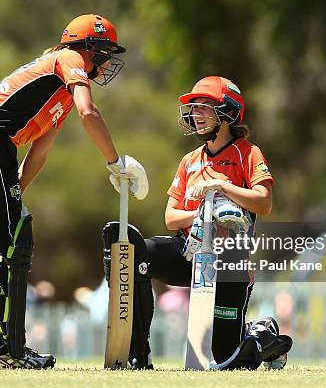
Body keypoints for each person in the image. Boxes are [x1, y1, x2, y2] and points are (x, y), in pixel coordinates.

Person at [0, 14, 148, 369]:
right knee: (11, 246)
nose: (105, 62)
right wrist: (115, 162)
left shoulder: (58, 90)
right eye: (103, 52)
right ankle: (10, 350)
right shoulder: (69, 60)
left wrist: (14, 194)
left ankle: (1, 347)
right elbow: (91, 113)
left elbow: (40, 152)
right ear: (88, 48)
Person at [102, 76, 291, 369]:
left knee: (228, 359)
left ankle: (263, 335)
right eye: (195, 108)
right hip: (191, 253)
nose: (196, 114)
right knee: (142, 254)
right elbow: (170, 217)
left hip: (230, 260)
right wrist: (203, 214)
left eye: (205, 107)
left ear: (227, 113)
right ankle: (139, 353)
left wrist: (221, 187)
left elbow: (263, 202)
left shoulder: (247, 153)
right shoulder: (189, 160)